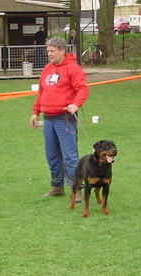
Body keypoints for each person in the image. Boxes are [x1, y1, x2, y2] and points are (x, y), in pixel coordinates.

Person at [29, 37, 89, 199]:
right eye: (48, 51)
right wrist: (36, 112)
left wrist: (76, 104)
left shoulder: (73, 68)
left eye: (52, 51)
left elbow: (82, 89)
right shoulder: (47, 69)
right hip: (48, 119)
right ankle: (57, 186)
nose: (49, 54)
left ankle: (76, 189)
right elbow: (41, 92)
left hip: (65, 119)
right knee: (52, 155)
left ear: (62, 51)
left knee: (69, 156)